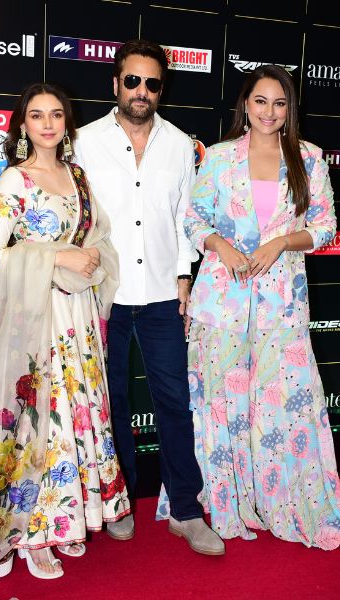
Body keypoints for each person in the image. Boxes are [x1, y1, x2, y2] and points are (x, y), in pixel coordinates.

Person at [159, 65, 340, 549]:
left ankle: (283, 499)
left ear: (290, 109)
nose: (269, 112)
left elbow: (326, 226)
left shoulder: (309, 158)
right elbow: (193, 218)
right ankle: (223, 500)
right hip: (221, 299)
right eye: (260, 101)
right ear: (245, 105)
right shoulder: (220, 157)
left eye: (280, 103)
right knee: (220, 403)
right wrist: (220, 247)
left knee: (284, 403)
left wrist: (283, 242)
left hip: (281, 303)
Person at [0, 82, 130, 600]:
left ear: (67, 123)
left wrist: (88, 256)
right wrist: (58, 257)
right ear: (22, 125)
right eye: (36, 115)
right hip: (35, 317)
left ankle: (62, 517)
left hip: (77, 316)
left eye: (56, 115)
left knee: (73, 414)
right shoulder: (16, 179)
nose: (47, 124)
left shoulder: (77, 176)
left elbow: (96, 238)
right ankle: (29, 533)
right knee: (37, 420)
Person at [73, 39, 225, 556]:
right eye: (132, 80)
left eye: (152, 83)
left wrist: (184, 277)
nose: (141, 90)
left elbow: (186, 219)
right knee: (111, 403)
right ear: (115, 84)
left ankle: (186, 510)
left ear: (161, 89)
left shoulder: (181, 145)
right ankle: (119, 505)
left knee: (175, 404)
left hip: (162, 295)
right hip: (103, 295)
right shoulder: (83, 142)